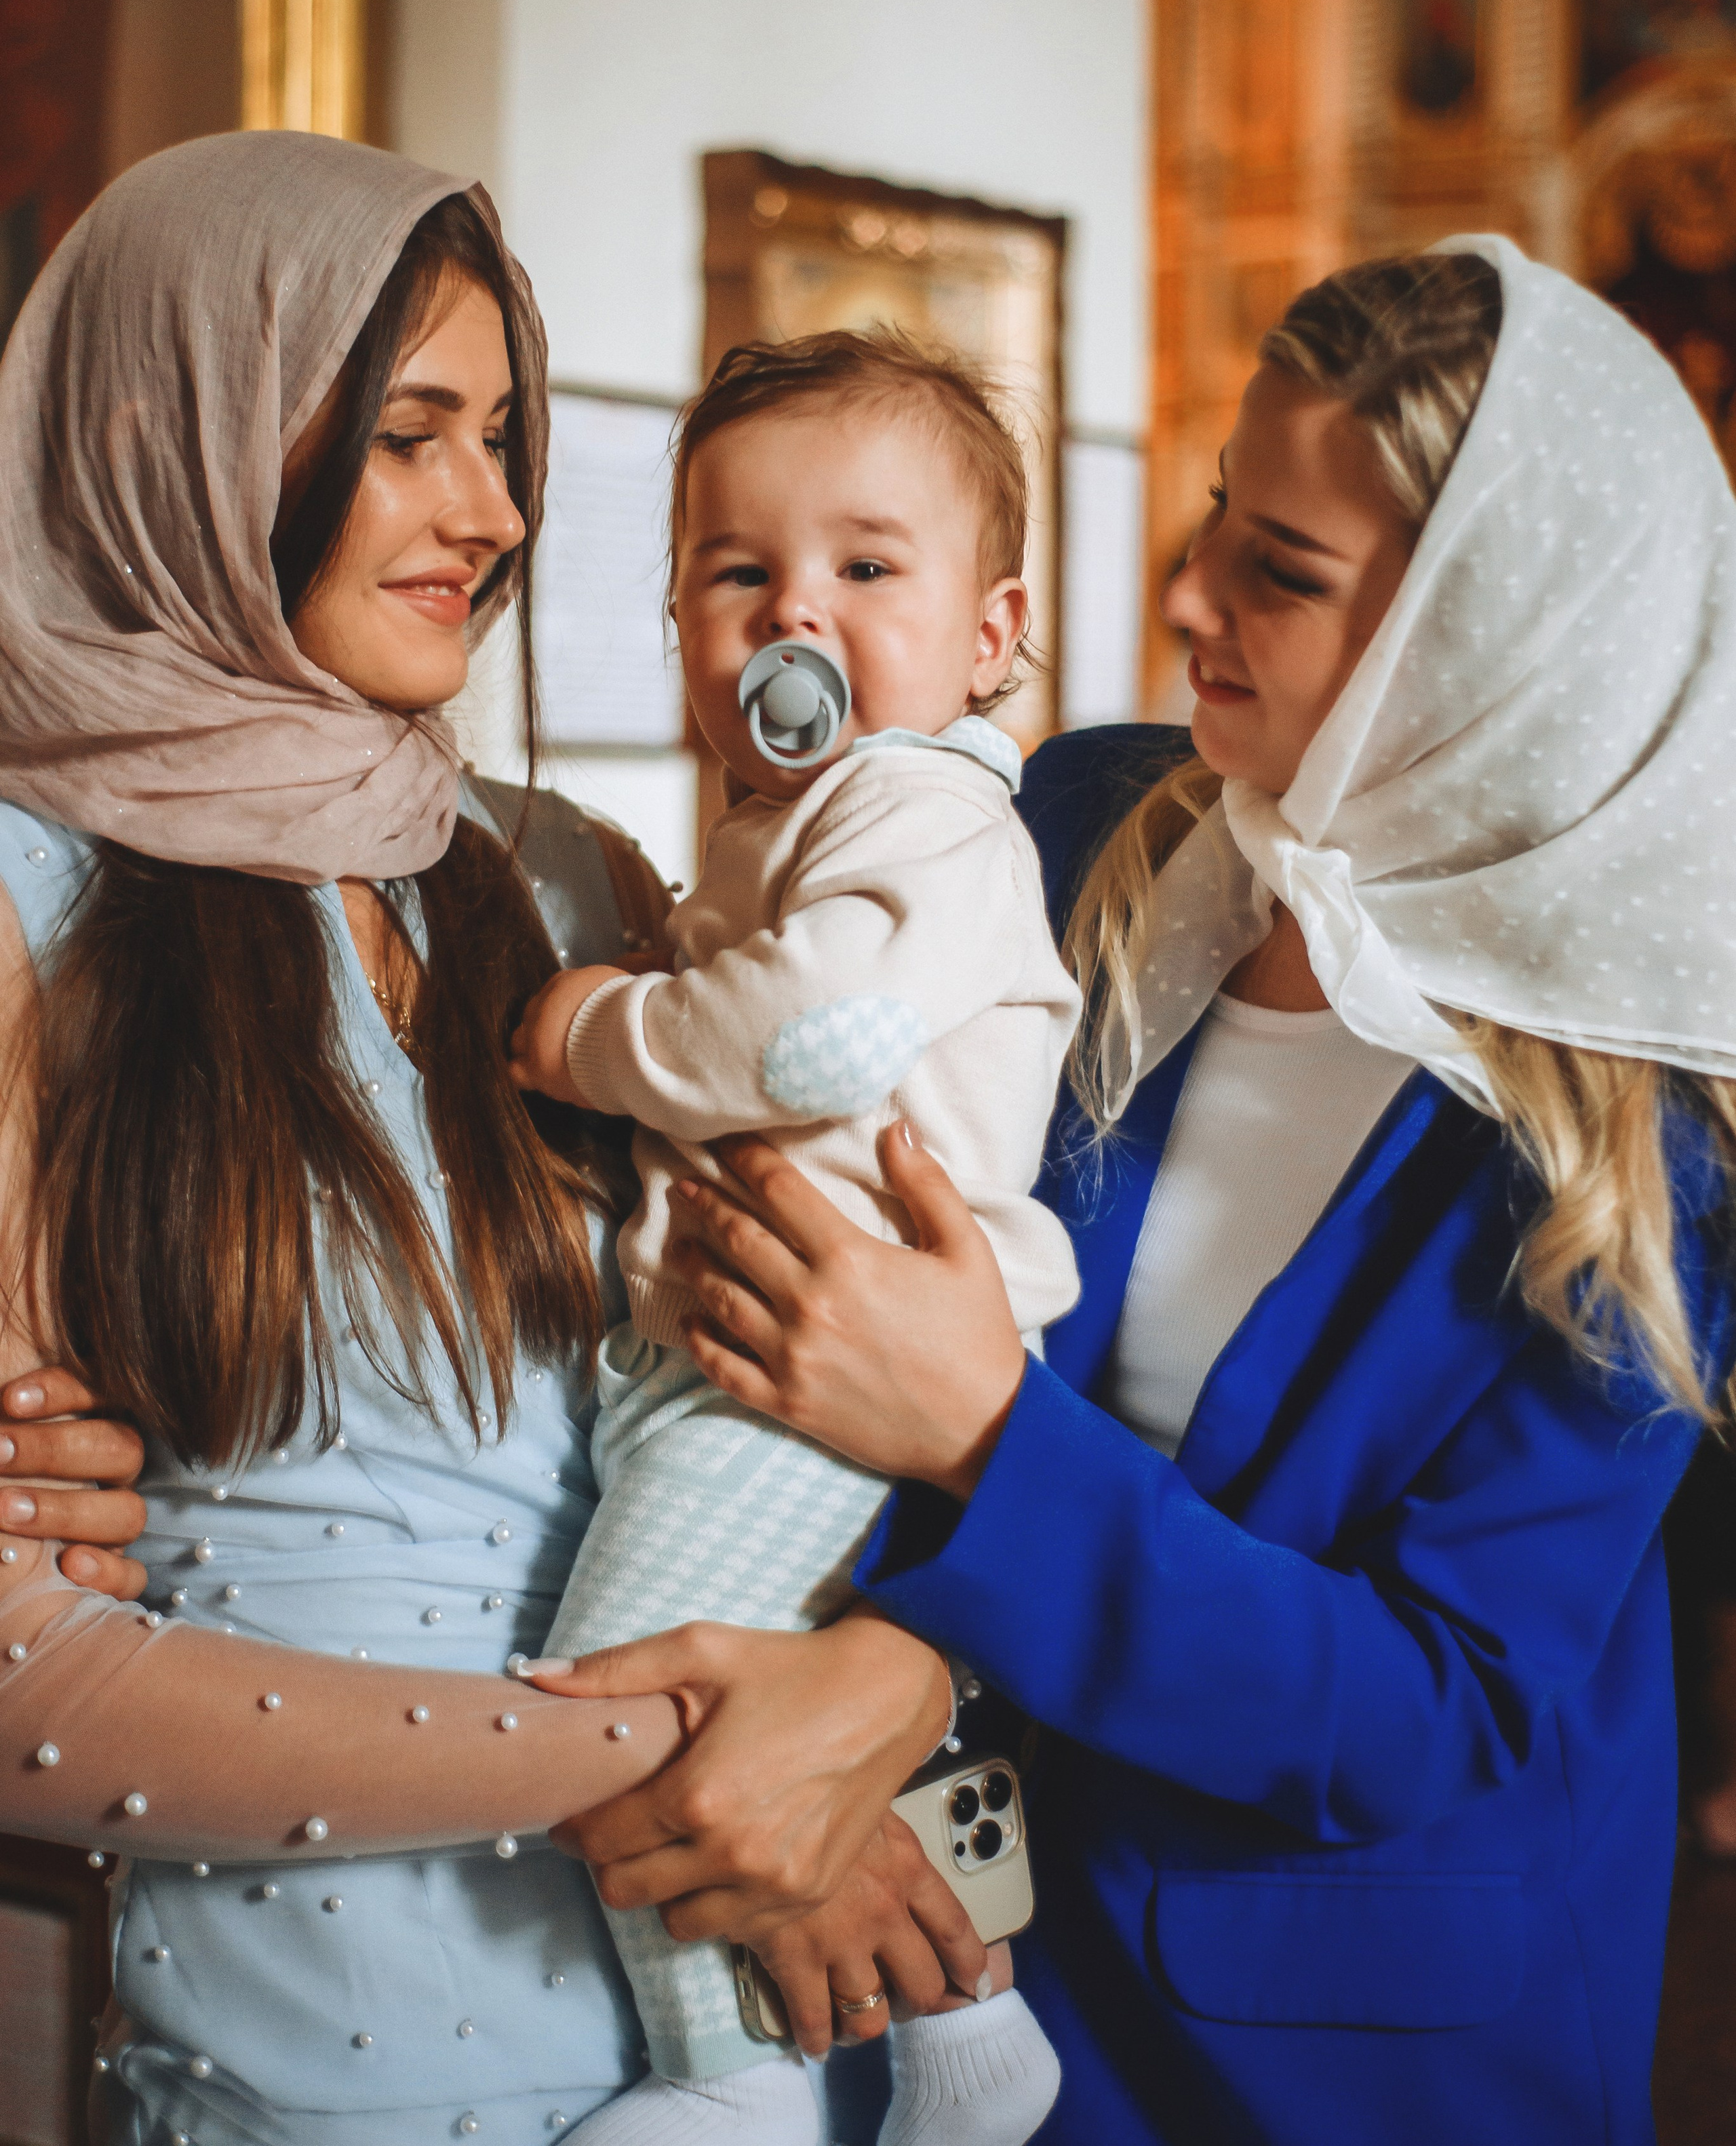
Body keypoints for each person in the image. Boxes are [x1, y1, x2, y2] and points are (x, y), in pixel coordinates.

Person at [620, 238, 1736, 2144]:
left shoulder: (1645, 1141)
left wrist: (983, 1430)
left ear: (1485, 641)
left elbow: (1433, 1705)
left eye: (1280, 572)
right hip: (959, 1954)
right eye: (1225, 508)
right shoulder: (1074, 820)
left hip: (1334, 2042)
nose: (1188, 588)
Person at [0, 132, 989, 2146]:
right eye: (413, 437)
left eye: (508, 437)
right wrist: (679, 1746)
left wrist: (889, 1685)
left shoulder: (561, 880)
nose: (500, 509)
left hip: (734, 2035)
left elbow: (805, 1378)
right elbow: (23, 1688)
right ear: (171, 437)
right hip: (318, 2069)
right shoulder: (35, 896)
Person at [510, 332, 1078, 2146]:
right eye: (737, 571)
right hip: (758, 1367)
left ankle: (728, 2088)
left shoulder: (923, 809)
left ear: (989, 635)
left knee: (631, 1691)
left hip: (819, 1381)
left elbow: (821, 1032)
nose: (794, 616)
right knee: (758, 1708)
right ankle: (975, 2041)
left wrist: (594, 1030)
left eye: (863, 566)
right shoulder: (781, 837)